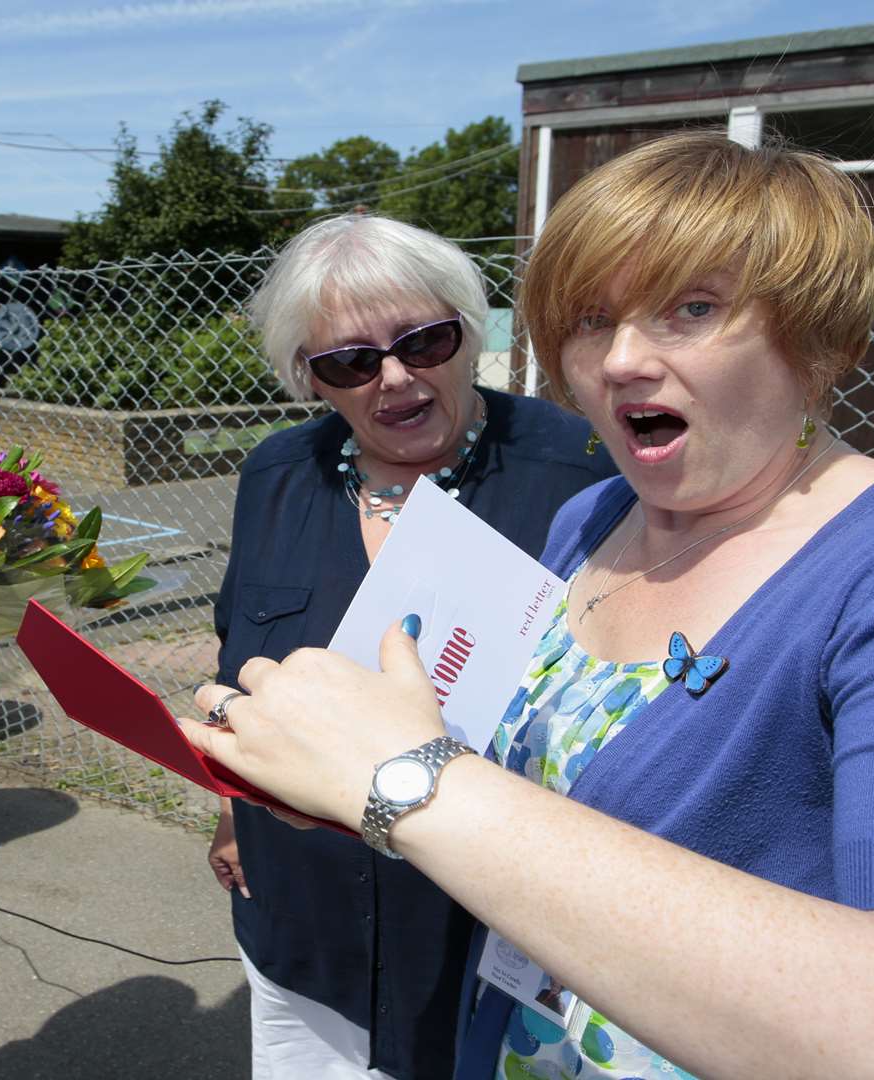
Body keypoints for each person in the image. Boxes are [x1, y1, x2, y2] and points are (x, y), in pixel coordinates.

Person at [185, 132, 874, 1080]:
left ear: (820, 336)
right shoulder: (595, 521)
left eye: (694, 308)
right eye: (593, 319)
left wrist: (409, 782)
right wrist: (344, 781)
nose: (623, 359)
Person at [207, 213, 616, 1079]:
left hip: (484, 934)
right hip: (304, 919)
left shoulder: (582, 469)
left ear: (471, 333)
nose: (395, 378)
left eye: (424, 342)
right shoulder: (277, 476)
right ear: (308, 379)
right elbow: (234, 652)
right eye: (350, 361)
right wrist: (233, 815)